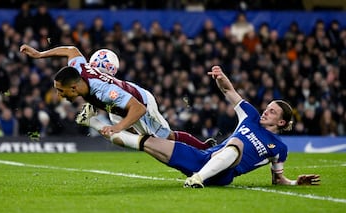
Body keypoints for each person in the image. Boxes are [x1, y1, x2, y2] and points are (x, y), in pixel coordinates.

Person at [91, 65, 320, 188]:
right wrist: (220, 76)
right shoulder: (249, 115)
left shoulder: (279, 148)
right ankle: (94, 123)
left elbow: (277, 179)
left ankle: (198, 179)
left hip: (223, 174)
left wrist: (294, 182)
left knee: (236, 142)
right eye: (267, 107)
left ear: (281, 122)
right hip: (202, 158)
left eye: (272, 111)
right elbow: (229, 91)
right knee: (148, 142)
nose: (265, 111)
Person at [19, 44, 216, 149]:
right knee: (131, 135)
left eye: (61, 91)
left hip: (141, 100)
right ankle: (96, 112)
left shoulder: (103, 90)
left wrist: (117, 127)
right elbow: (71, 50)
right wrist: (39, 54)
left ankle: (202, 147)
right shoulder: (77, 68)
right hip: (116, 105)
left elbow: (139, 108)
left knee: (164, 138)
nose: (59, 95)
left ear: (74, 86)